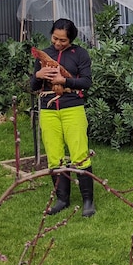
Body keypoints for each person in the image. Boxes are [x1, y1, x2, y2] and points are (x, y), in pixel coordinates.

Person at [30, 18, 95, 217]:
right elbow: (33, 87)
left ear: (71, 40)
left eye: (63, 41)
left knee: (79, 154)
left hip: (72, 107)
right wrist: (38, 76)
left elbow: (86, 81)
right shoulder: (44, 54)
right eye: (55, 38)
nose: (58, 43)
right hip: (48, 110)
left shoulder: (80, 54)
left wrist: (64, 80)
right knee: (54, 155)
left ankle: (87, 201)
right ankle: (62, 199)